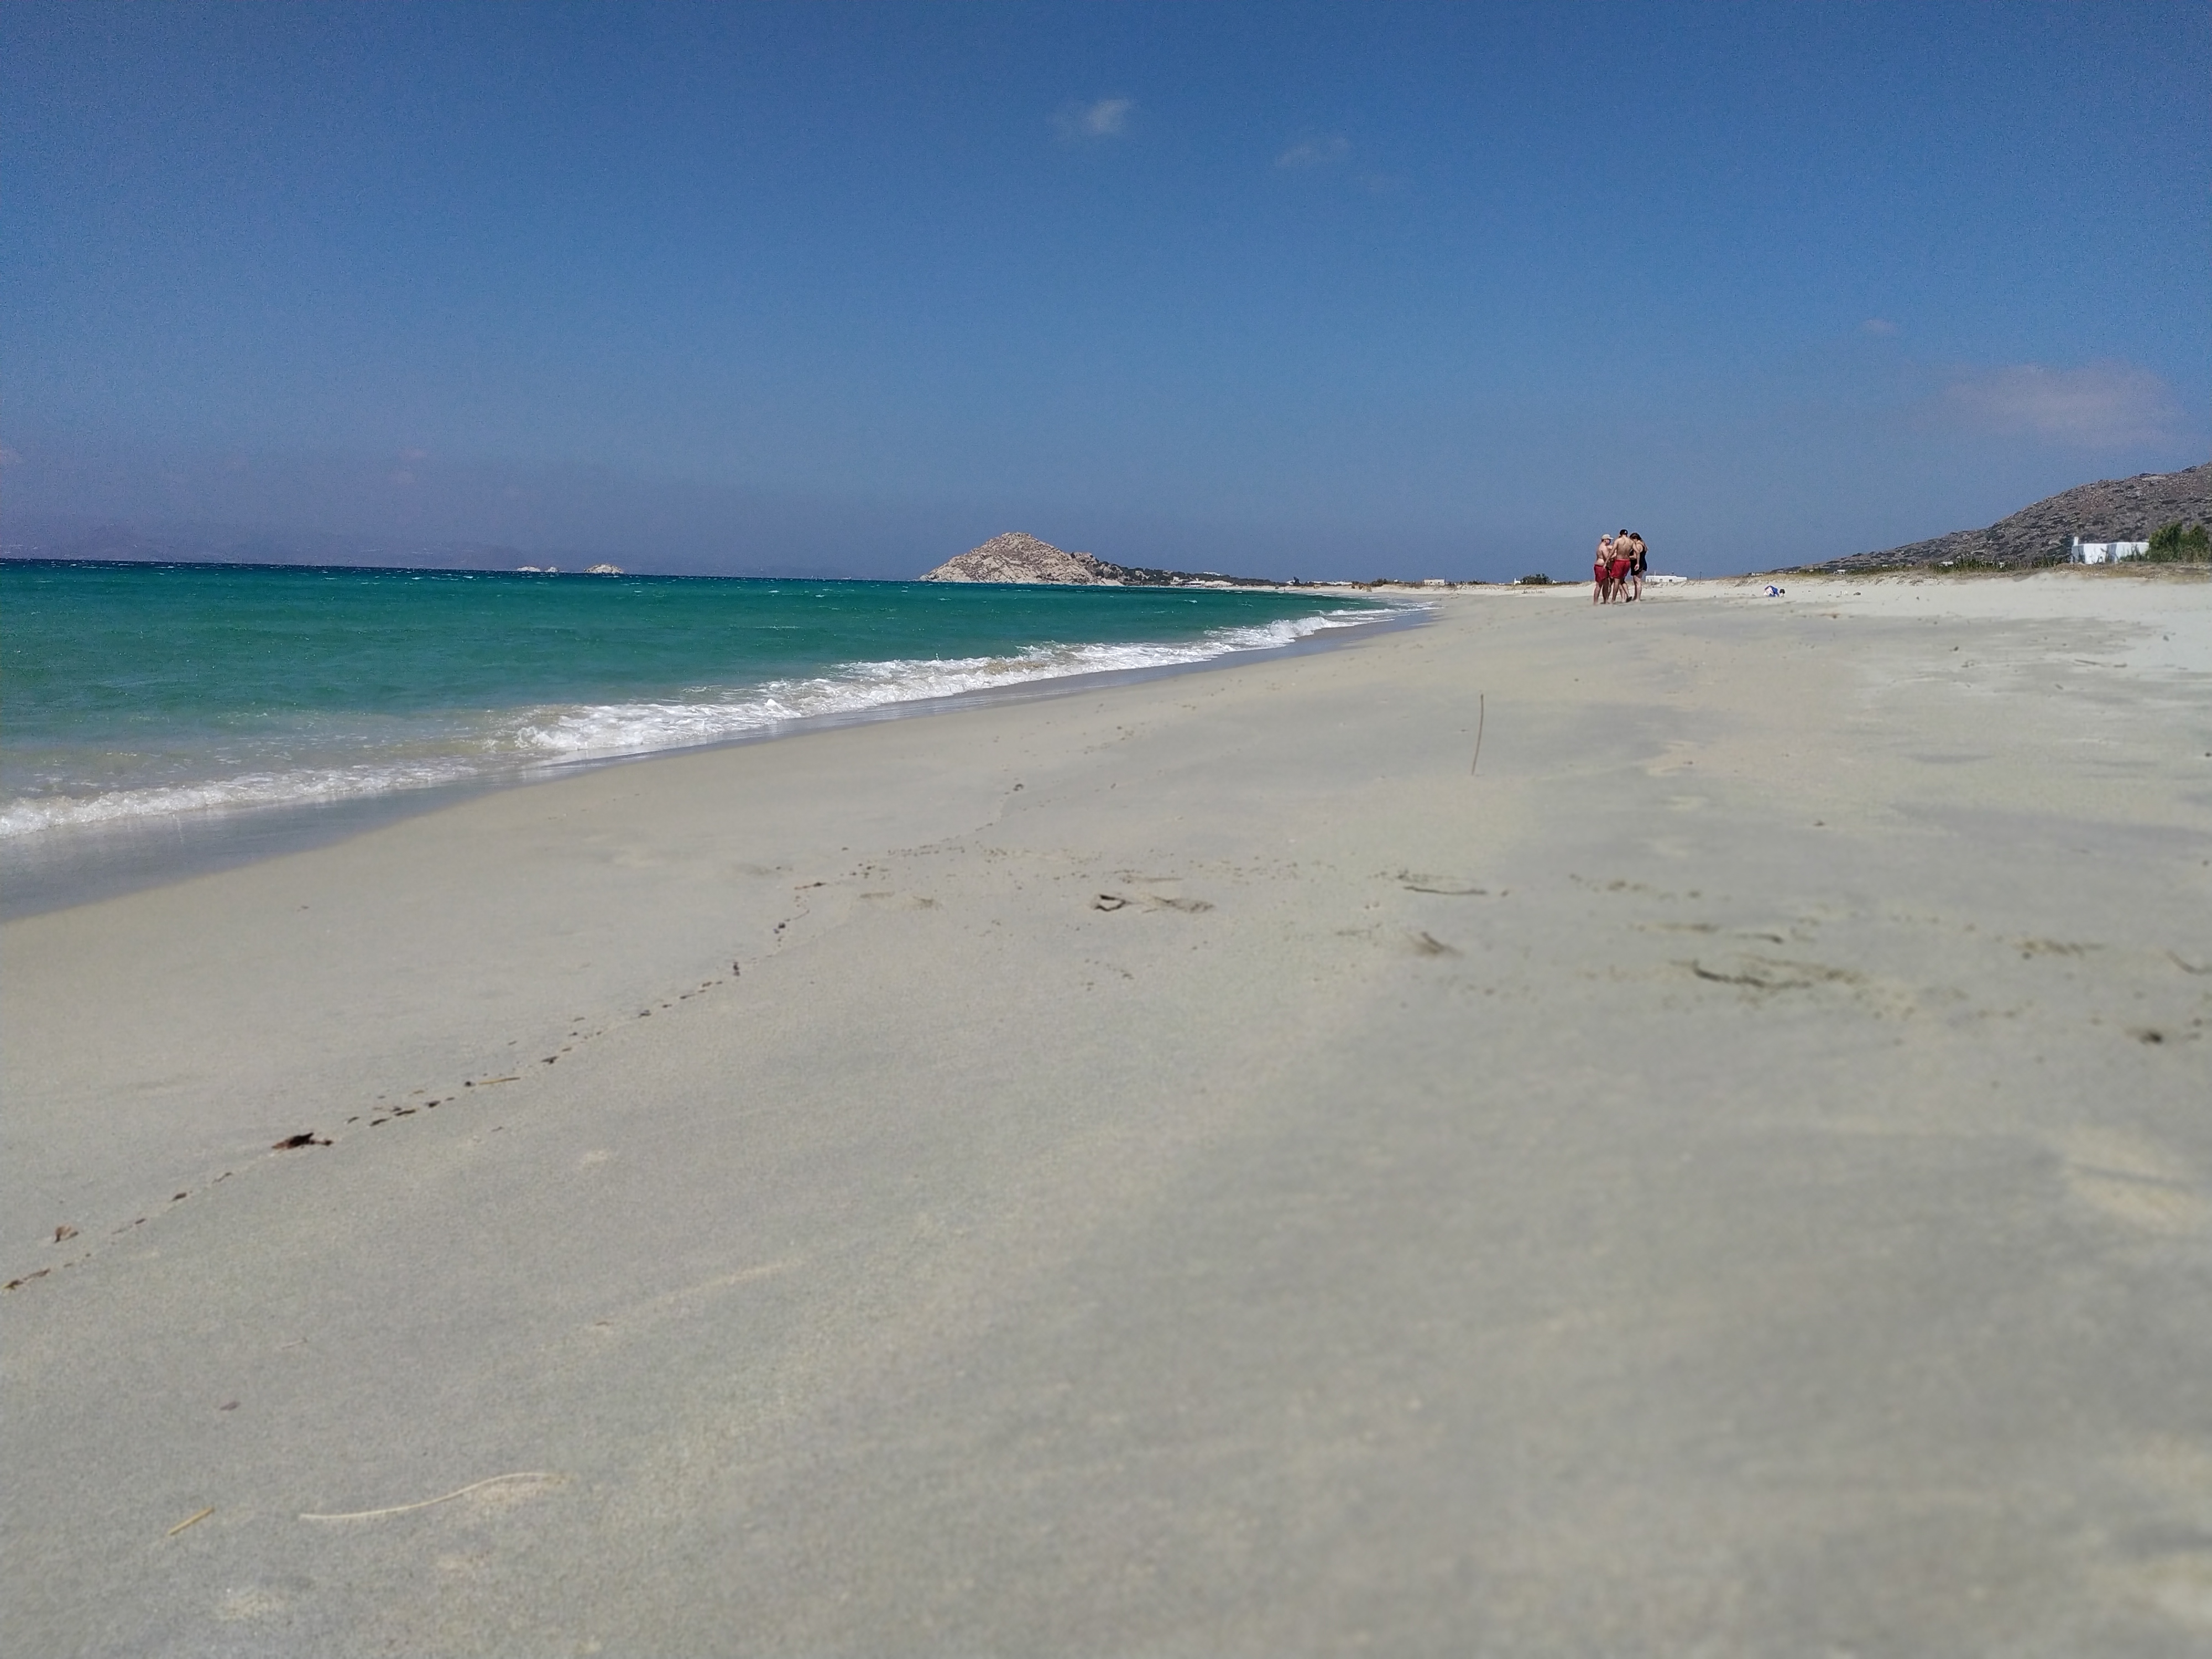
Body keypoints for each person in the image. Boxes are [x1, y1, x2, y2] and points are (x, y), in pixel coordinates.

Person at [1593, 534, 1614, 603]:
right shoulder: (1603, 547)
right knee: (1599, 585)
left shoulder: (1603, 546)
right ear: (1605, 540)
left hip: (1603, 567)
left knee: (1606, 584)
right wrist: (1615, 555)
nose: (1610, 541)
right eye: (1609, 540)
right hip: (1601, 567)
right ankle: (1596, 601)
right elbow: (1607, 557)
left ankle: (1605, 600)